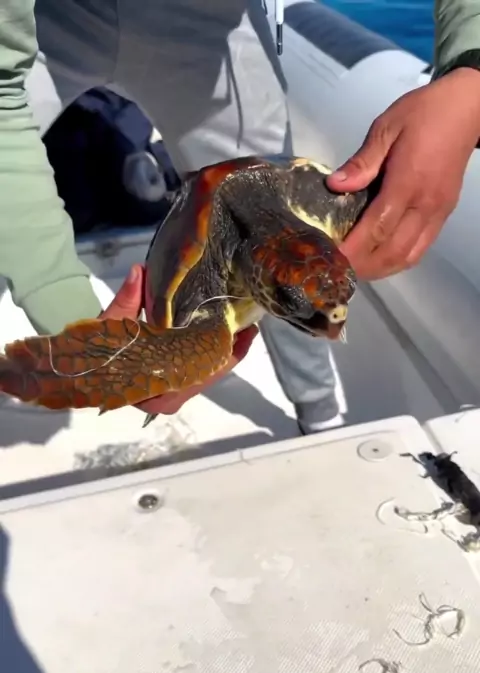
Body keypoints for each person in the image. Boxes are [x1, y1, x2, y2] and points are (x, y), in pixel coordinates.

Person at [1, 1, 480, 427]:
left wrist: (471, 73)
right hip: (46, 16)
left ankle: (319, 412)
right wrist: (70, 312)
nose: (336, 315)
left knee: (303, 286)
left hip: (212, 23)